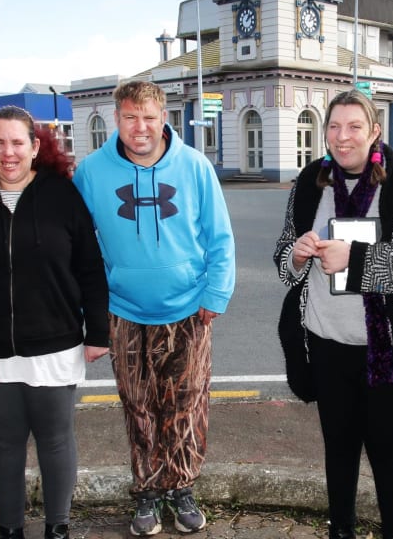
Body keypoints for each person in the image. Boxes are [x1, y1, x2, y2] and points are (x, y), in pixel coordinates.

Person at [0, 107, 109, 539]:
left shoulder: (62, 195)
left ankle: (57, 527)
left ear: (34, 146)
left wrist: (98, 331)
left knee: (55, 439)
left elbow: (90, 267)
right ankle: (9, 529)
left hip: (54, 343)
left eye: (16, 143)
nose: (7, 153)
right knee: (5, 443)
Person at [73, 81, 235, 536]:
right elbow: (81, 248)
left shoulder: (195, 167)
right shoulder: (92, 172)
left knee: (186, 405)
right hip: (123, 310)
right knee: (138, 406)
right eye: (129, 117)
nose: (139, 127)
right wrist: (92, 312)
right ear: (117, 117)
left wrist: (215, 294)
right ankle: (146, 492)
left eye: (148, 117)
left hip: (188, 309)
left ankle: (181, 487)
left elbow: (220, 237)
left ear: (164, 116)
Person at [272, 89, 393, 539]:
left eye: (354, 127)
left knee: (389, 459)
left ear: (375, 131)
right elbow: (284, 257)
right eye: (334, 127)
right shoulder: (310, 180)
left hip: (386, 348)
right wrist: (299, 255)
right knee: (339, 454)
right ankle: (339, 531)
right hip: (327, 344)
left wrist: (356, 259)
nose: (342, 138)